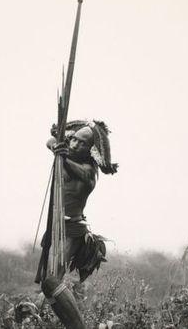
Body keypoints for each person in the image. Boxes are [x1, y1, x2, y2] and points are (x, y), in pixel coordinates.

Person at [35, 120, 118, 329]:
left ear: (90, 149)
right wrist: (57, 147)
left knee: (52, 281)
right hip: (55, 228)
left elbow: (75, 170)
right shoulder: (66, 152)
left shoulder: (88, 171)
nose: (73, 145)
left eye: (81, 143)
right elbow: (50, 140)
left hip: (71, 229)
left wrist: (61, 154)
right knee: (48, 285)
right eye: (73, 139)